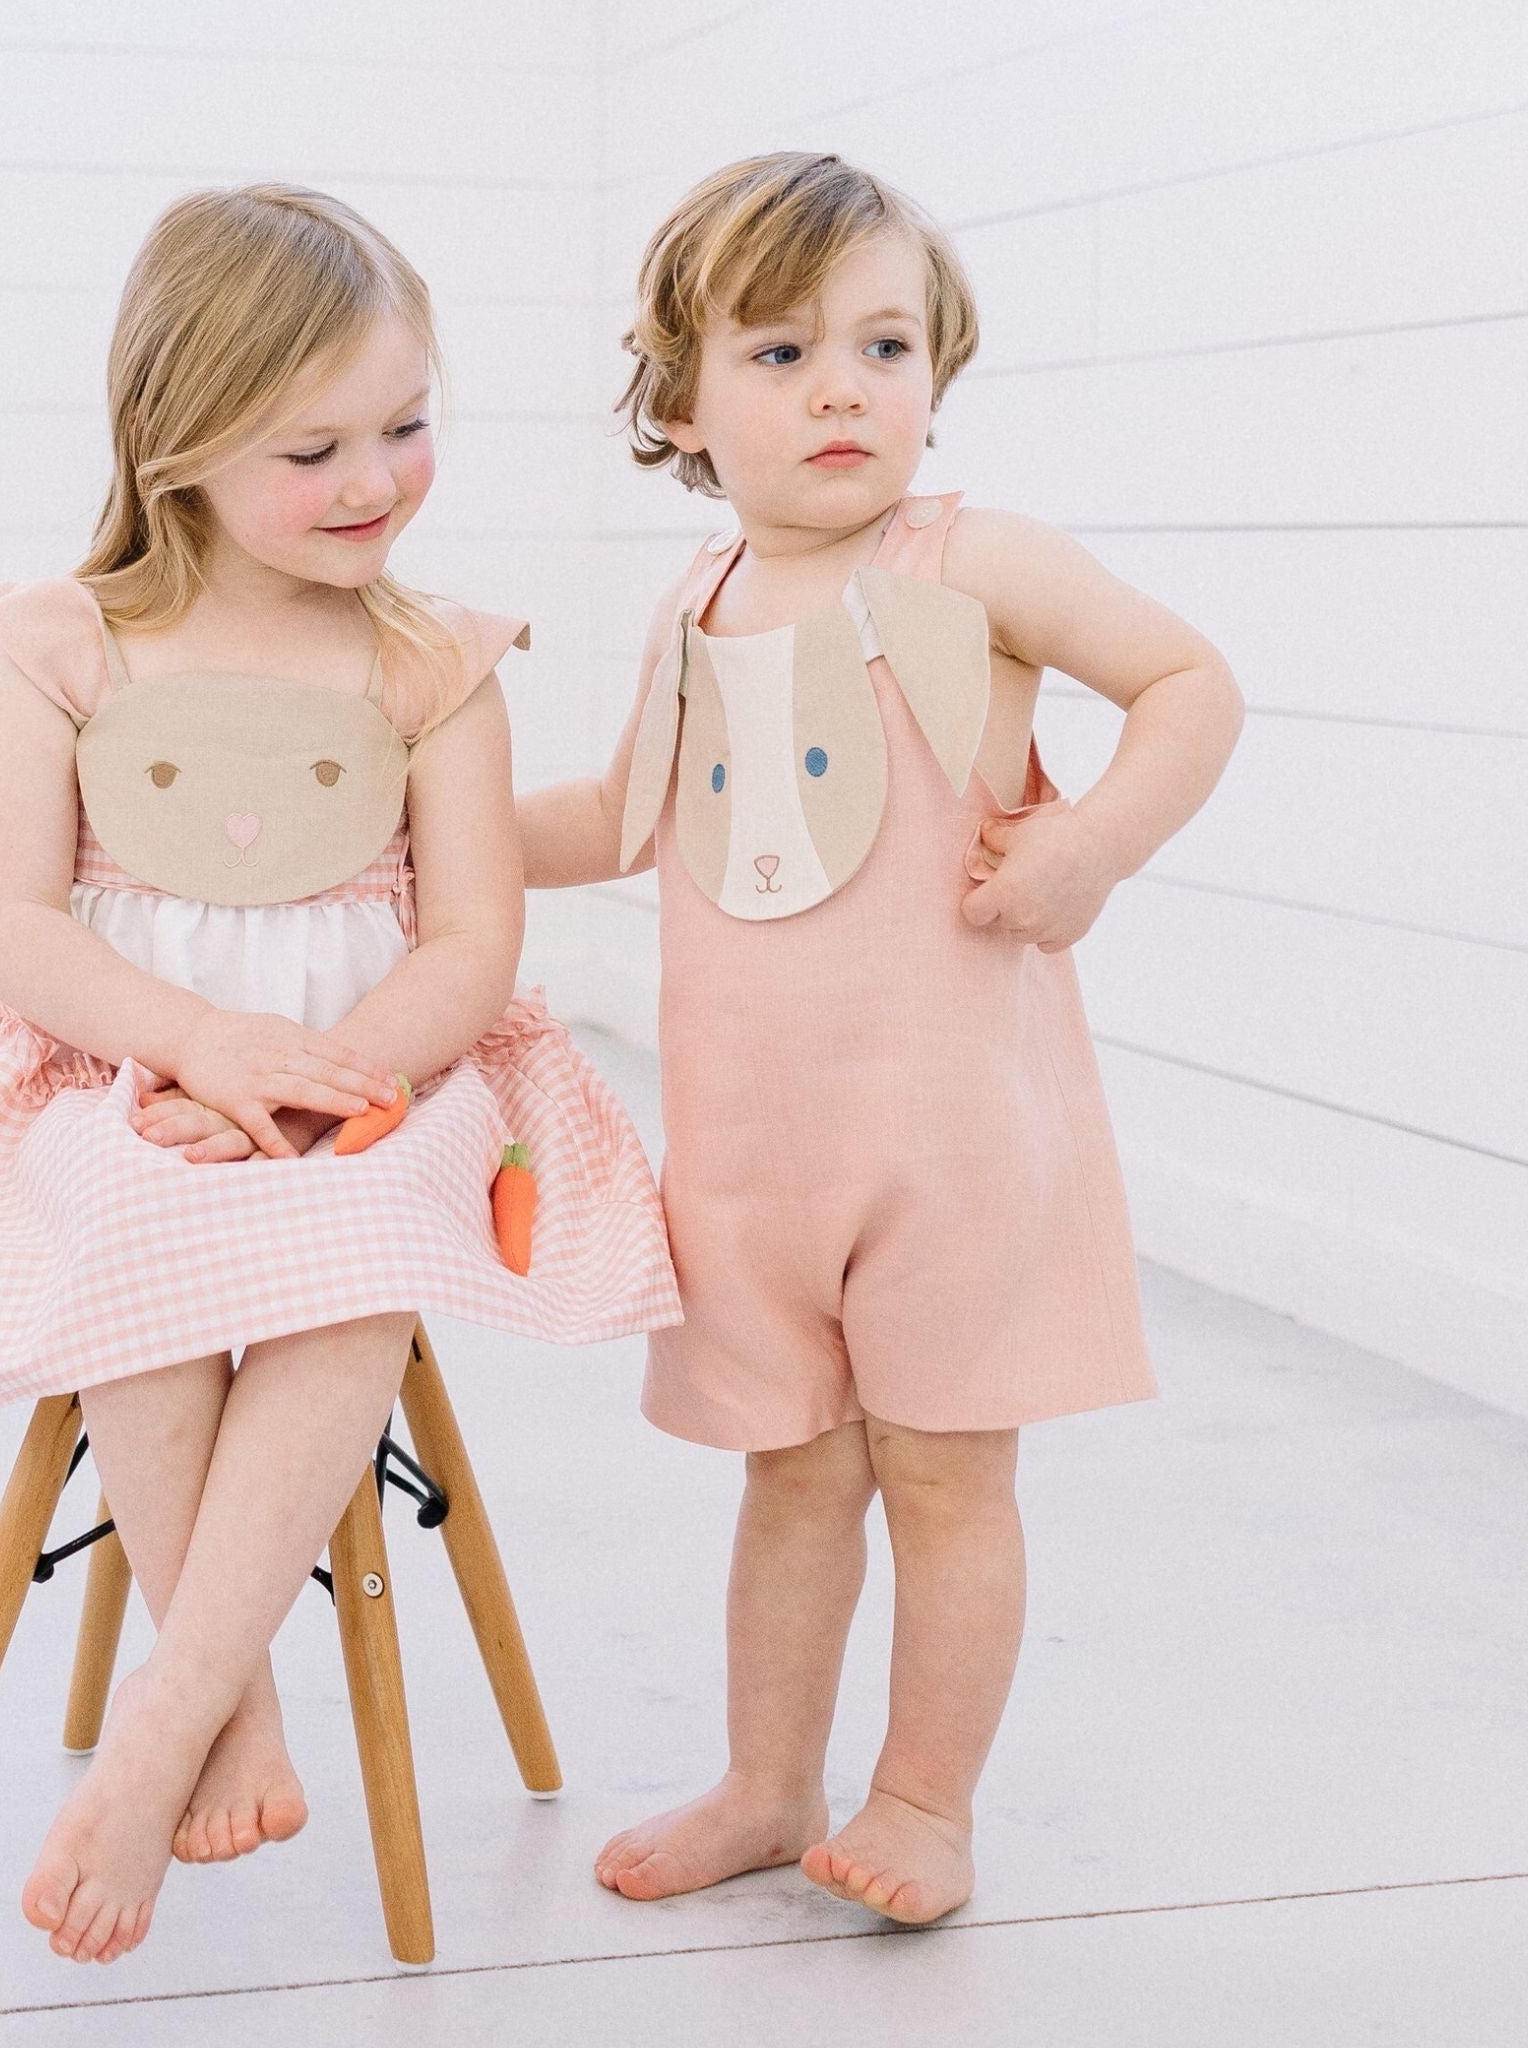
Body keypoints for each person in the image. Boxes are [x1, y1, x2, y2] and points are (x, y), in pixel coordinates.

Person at [0, 183, 680, 1967]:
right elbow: (12, 915)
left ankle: (175, 1709)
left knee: (359, 1247)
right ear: (180, 447)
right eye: (316, 447)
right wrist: (194, 1048)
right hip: (130, 1067)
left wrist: (341, 1072)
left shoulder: (428, 660)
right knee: (138, 1219)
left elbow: (472, 937)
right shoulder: (71, 644)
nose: (376, 479)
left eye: (407, 425)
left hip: (379, 1079)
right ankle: (231, 1706)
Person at [518, 152, 1242, 1925]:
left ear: (937, 369)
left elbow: (1189, 684)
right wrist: (416, 824)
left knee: (943, 1468)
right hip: (756, 1158)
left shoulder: (970, 560)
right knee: (792, 1473)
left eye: (885, 343)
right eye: (777, 353)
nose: (841, 386)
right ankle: (770, 1786)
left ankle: (926, 1801)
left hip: (954, 1146)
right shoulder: (696, 604)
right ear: (680, 401)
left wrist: (1092, 845)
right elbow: (618, 814)